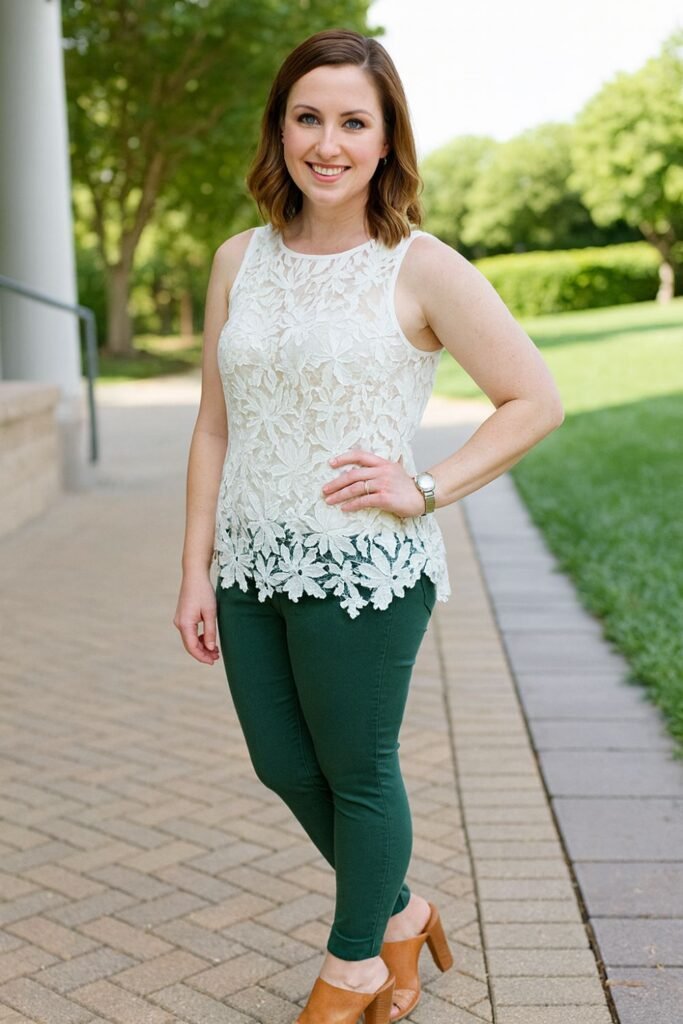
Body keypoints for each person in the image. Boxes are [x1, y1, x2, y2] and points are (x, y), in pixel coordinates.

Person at [173, 26, 564, 1024]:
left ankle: (351, 968)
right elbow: (214, 425)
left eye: (354, 121)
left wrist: (424, 487)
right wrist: (192, 569)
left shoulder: (419, 265)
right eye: (308, 117)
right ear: (280, 129)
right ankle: (401, 909)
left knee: (357, 771)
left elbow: (532, 399)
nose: (327, 142)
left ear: (386, 140)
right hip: (251, 561)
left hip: (364, 569)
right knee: (282, 763)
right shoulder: (236, 261)